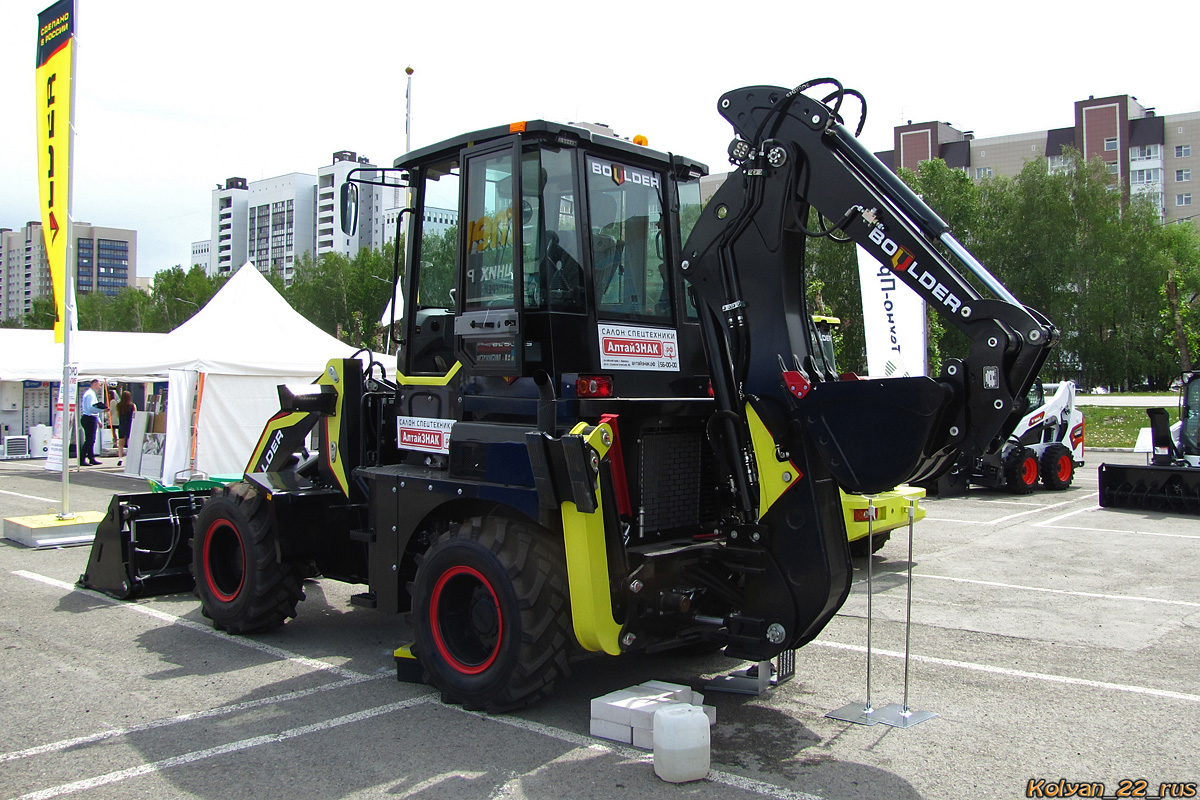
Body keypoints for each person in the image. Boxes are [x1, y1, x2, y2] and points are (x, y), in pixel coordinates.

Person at [79, 379, 108, 466]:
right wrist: (102, 410)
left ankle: (91, 458)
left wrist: (98, 420)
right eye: (99, 385)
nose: (100, 387)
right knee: (89, 440)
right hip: (88, 418)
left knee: (91, 439)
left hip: (91, 417)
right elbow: (91, 408)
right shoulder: (90, 395)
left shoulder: (91, 394)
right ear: (94, 384)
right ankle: (82, 458)